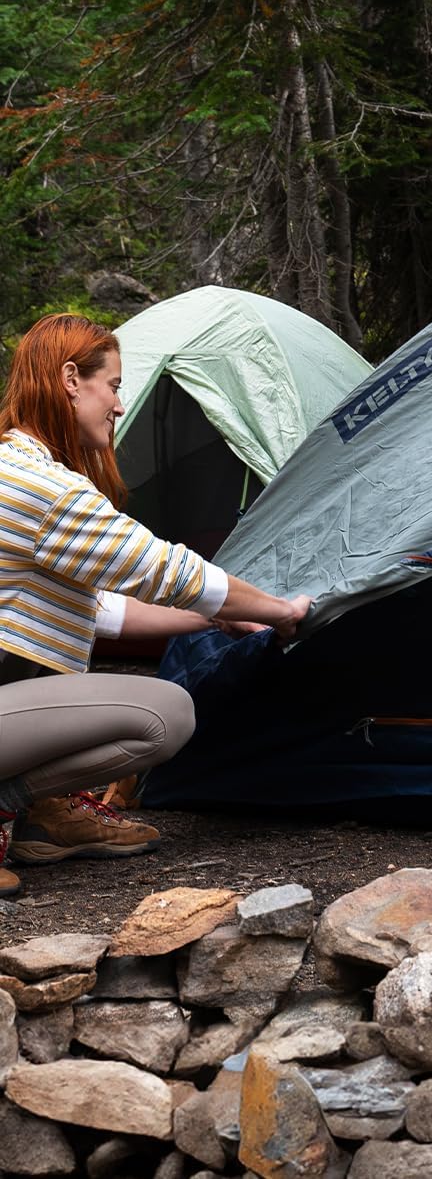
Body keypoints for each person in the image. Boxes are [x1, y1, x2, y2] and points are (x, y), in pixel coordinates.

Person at [0, 314, 311, 896]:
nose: (119, 405)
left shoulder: (16, 470)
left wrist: (213, 615)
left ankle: (39, 817)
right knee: (165, 713)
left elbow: (100, 611)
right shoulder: (39, 486)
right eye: (114, 385)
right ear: (71, 379)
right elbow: (163, 569)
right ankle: (12, 803)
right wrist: (280, 610)